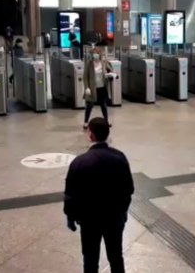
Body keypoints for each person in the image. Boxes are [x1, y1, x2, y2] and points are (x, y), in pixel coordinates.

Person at [64, 117, 134, 273]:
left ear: (91, 135)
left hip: (89, 220)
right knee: (116, 256)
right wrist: (123, 211)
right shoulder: (120, 157)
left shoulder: (79, 162)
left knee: (90, 258)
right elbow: (129, 188)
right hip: (114, 218)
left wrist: (70, 216)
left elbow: (70, 195)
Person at [83, 47, 113, 130]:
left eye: (96, 53)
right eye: (93, 53)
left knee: (103, 105)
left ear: (99, 54)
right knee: (89, 105)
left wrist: (110, 74)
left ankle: (106, 121)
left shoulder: (104, 62)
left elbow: (110, 70)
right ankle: (86, 122)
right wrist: (86, 87)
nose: (95, 55)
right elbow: (85, 77)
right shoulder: (89, 64)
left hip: (102, 87)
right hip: (92, 88)